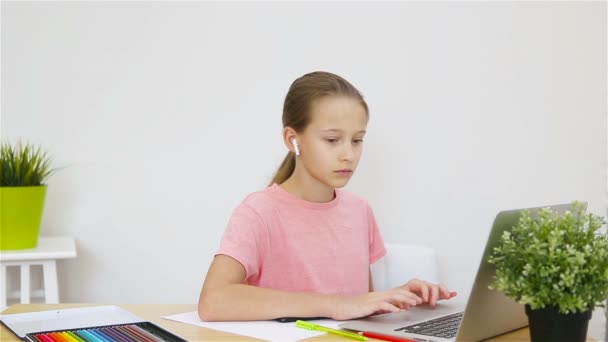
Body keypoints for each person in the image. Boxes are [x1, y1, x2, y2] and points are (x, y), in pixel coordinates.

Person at [198, 71, 456, 322]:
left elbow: (357, 308)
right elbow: (214, 301)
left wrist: (396, 299)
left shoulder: (359, 211)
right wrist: (336, 304)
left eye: (357, 140)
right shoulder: (258, 212)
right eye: (332, 140)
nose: (349, 154)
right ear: (293, 140)